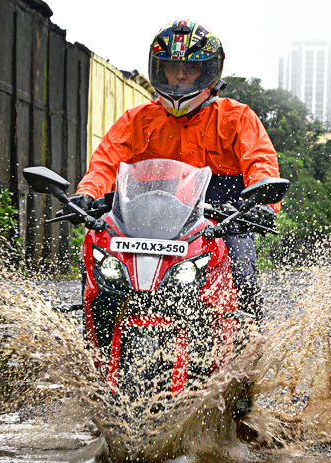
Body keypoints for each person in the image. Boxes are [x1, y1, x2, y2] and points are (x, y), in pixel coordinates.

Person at [68, 18, 281, 320]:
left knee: (242, 276)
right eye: (172, 67)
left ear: (209, 70)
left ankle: (247, 352)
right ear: (159, 69)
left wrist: (262, 205)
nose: (180, 76)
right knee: (99, 269)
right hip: (150, 221)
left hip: (223, 220)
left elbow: (262, 164)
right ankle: (96, 352)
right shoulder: (137, 120)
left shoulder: (237, 117)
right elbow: (104, 162)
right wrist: (86, 195)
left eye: (191, 68)